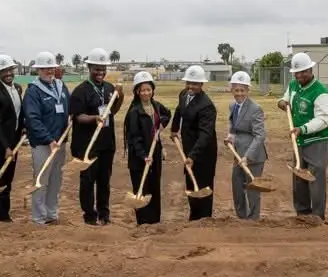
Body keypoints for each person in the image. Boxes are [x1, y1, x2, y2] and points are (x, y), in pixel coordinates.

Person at [69, 47, 123, 226]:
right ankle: (89, 215)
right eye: (97, 69)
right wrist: (94, 118)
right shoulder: (80, 91)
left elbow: (113, 111)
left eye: (103, 69)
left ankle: (104, 214)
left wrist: (120, 96)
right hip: (86, 144)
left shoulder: (109, 88)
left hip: (106, 142)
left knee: (104, 180)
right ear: (89, 68)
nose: (100, 72)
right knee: (87, 181)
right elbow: (78, 116)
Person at [277, 52, 328, 220]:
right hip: (299, 140)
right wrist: (281, 102)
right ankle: (302, 214)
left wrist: (303, 129)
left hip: (317, 141)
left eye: (303, 72)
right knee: (299, 178)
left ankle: (317, 217)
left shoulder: (321, 92)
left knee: (315, 180)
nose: (300, 75)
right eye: (297, 72)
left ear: (311, 69)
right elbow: (285, 98)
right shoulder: (294, 85)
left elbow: (323, 120)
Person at [23, 51, 70, 225]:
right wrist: (49, 140)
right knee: (41, 180)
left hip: (60, 142)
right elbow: (33, 119)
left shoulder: (61, 86)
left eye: (51, 68)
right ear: (38, 70)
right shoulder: (33, 91)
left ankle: (52, 213)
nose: (49, 71)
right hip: (44, 144)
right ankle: (39, 217)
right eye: (44, 68)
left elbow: (68, 107)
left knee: (56, 179)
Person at [123, 71, 171, 225]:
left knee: (154, 186)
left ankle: (155, 220)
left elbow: (167, 114)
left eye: (148, 89)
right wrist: (144, 156)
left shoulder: (156, 106)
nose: (146, 93)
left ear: (152, 90)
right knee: (142, 188)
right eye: (142, 90)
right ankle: (143, 222)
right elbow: (134, 138)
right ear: (137, 91)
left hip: (154, 154)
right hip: (140, 157)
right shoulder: (134, 112)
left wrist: (161, 125)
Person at [170, 65, 218, 221]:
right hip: (188, 146)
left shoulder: (207, 106)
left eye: (195, 84)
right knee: (190, 182)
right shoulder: (183, 94)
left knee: (203, 184)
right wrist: (174, 128)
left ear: (201, 85)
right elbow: (179, 110)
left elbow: (205, 135)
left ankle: (204, 218)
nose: (190, 87)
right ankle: (194, 215)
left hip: (204, 152)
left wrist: (193, 155)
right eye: (188, 83)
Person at [0, 54, 25, 222]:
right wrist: (6, 147)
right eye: (3, 71)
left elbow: (18, 114)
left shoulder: (17, 88)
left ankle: (5, 211)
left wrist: (22, 130)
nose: (7, 73)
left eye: (9, 69)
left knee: (8, 178)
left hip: (13, 142)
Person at [224, 71, 267, 221]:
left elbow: (260, 135)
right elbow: (233, 125)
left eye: (242, 90)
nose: (239, 94)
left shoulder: (255, 108)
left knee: (253, 190)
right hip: (237, 154)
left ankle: (253, 220)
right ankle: (242, 218)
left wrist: (247, 156)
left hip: (253, 156)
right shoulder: (232, 106)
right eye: (236, 90)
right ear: (232, 90)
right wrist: (230, 136)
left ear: (248, 90)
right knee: (237, 188)